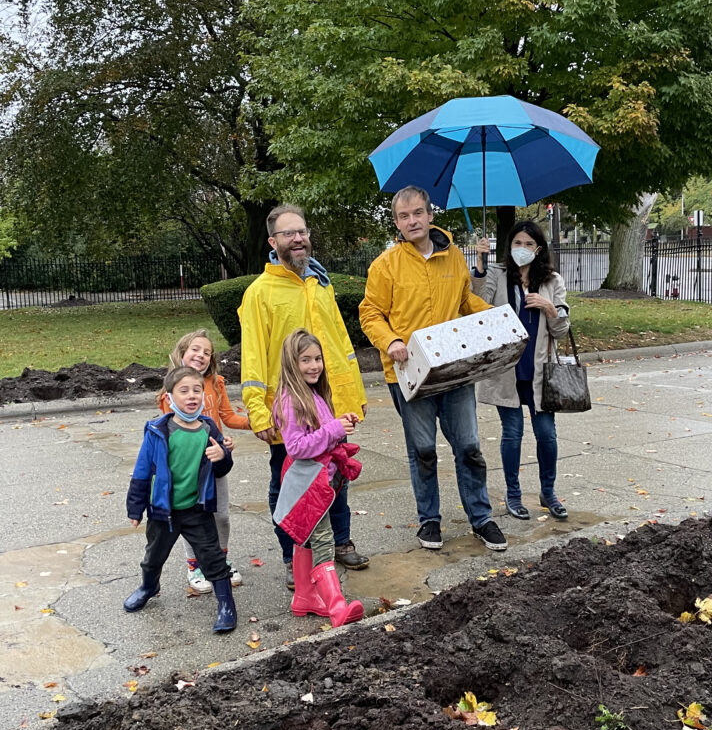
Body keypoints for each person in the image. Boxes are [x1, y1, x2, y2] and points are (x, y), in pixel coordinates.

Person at [359, 185, 507, 552]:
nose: (412, 221)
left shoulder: (453, 257)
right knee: (423, 449)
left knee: (469, 445)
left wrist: (496, 317)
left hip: (453, 368)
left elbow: (464, 300)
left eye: (417, 213)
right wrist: (391, 341)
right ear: (397, 223)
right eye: (404, 216)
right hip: (408, 372)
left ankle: (481, 518)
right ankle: (429, 520)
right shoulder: (385, 265)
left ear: (429, 215)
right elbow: (370, 313)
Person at [238, 204, 369, 589]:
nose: (298, 238)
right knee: (288, 485)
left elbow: (340, 341)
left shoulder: (320, 284)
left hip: (329, 404)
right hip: (288, 411)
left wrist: (353, 392)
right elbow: (253, 355)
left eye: (302, 231)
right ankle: (293, 555)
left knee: (335, 474)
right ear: (272, 242)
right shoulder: (259, 293)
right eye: (289, 233)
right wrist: (258, 412)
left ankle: (339, 541)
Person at [123, 366, 237, 633]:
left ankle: (226, 604)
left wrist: (223, 456)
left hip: (197, 510)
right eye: (184, 391)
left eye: (197, 390)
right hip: (164, 512)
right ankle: (149, 586)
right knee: (153, 558)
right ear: (170, 397)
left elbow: (221, 468)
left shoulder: (208, 429)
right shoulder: (158, 431)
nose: (192, 396)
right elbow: (142, 471)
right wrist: (135, 508)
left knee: (213, 558)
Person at [472, 220, 570, 521]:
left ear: (538, 249)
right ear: (510, 245)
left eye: (529, 244)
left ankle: (548, 492)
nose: (522, 248)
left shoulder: (552, 281)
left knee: (547, 435)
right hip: (507, 372)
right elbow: (478, 305)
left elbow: (561, 330)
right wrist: (480, 265)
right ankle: (513, 494)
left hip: (540, 372)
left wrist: (549, 307)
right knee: (512, 434)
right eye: (517, 243)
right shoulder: (498, 275)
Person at [271, 329, 365, 627]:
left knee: (306, 539)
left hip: (319, 483)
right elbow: (297, 447)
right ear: (291, 363)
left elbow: (321, 432)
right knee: (323, 538)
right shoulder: (290, 400)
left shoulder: (313, 394)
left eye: (317, 359)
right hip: (307, 486)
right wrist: (334, 429)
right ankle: (336, 607)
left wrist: (340, 423)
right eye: (305, 360)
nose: (314, 366)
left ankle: (304, 597)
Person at [157, 329, 250, 594]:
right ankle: (194, 567)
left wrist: (256, 423)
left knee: (221, 516)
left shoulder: (216, 383)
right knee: (191, 517)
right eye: (195, 349)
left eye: (207, 352)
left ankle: (219, 560)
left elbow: (228, 417)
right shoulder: (171, 390)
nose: (201, 355)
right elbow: (173, 431)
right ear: (182, 353)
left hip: (215, 461)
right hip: (187, 467)